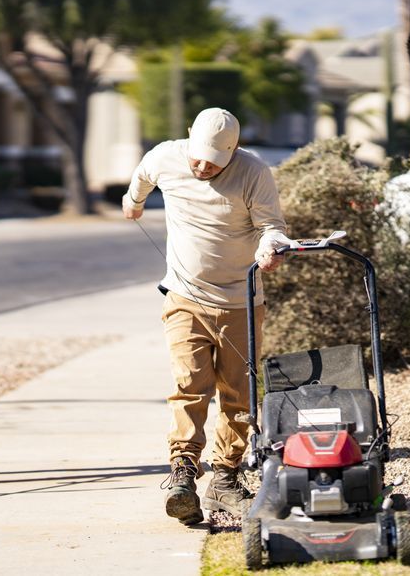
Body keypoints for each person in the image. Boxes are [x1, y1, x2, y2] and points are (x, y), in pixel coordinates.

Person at [123, 107, 288, 525]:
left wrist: (272, 246)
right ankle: (182, 475)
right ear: (188, 139)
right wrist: (134, 201)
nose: (202, 166)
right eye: (198, 157)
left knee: (238, 394)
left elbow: (272, 224)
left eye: (214, 160)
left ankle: (225, 478)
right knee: (189, 384)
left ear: (233, 151)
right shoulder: (166, 156)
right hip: (184, 298)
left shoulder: (253, 172)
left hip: (242, 302)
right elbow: (142, 177)